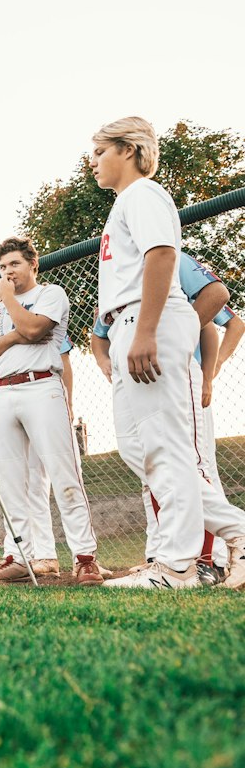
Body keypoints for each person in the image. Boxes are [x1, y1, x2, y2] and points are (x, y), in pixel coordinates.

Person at [89, 116, 245, 589]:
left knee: (164, 445)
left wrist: (147, 331)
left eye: (100, 152)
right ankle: (238, 530)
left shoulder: (143, 194)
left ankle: (176, 566)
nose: (93, 161)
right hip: (126, 324)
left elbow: (162, 255)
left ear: (130, 150)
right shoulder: (123, 204)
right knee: (140, 449)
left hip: (145, 319)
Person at [0, 235, 103, 585]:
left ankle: (85, 558)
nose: (7, 271)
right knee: (13, 482)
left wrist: (11, 304)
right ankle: (19, 556)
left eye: (14, 264)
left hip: (41, 386)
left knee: (64, 475)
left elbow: (33, 327)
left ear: (33, 264)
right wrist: (14, 336)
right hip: (1, 393)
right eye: (1, 267)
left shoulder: (50, 294)